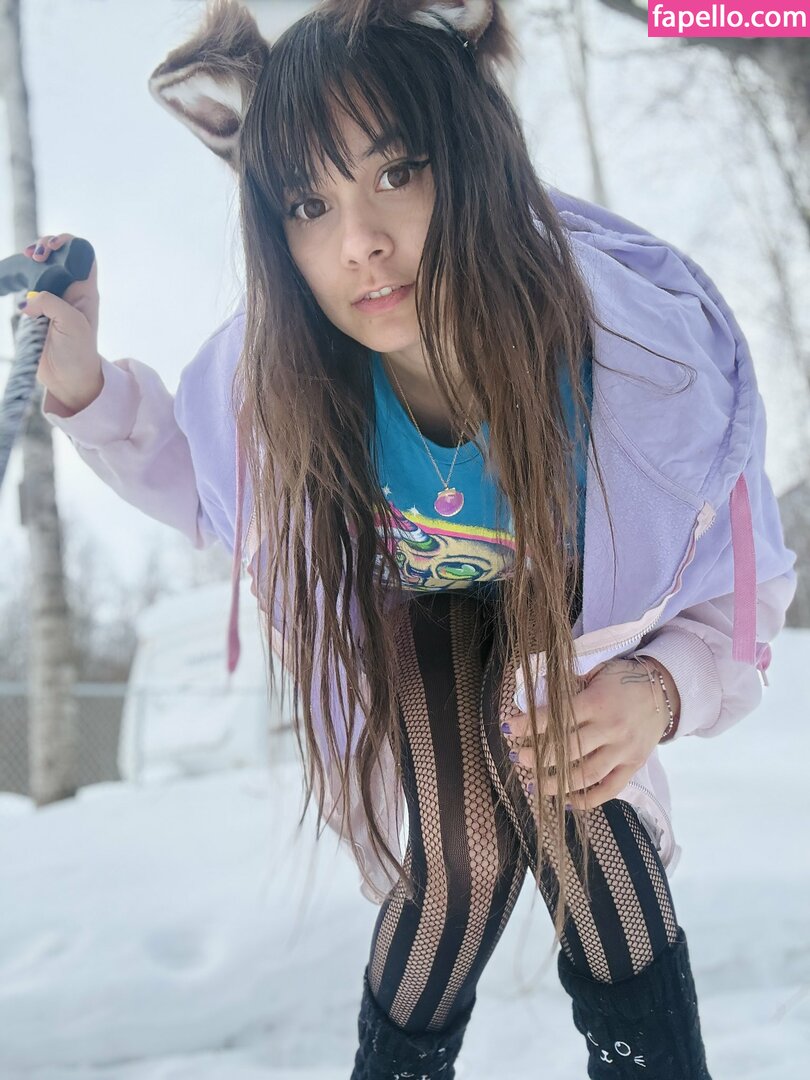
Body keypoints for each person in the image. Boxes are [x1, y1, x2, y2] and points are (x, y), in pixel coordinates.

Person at [21, 1, 796, 1077]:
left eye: (396, 172)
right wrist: (82, 385)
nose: (361, 244)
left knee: (593, 833)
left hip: (567, 635)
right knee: (460, 870)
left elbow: (745, 587)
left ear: (474, 157)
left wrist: (662, 689)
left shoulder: (642, 374)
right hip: (418, 628)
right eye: (309, 203)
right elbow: (206, 480)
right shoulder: (290, 384)